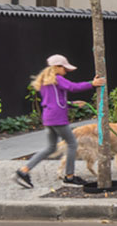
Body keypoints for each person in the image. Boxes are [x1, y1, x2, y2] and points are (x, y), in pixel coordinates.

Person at [13, 53, 105, 188]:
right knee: (72, 144)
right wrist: (92, 83)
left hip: (48, 117)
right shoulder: (57, 79)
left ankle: (23, 170)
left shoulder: (45, 81)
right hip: (58, 118)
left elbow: (54, 101)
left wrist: (72, 104)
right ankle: (69, 176)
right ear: (57, 67)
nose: (66, 72)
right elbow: (73, 87)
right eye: (65, 68)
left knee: (50, 147)